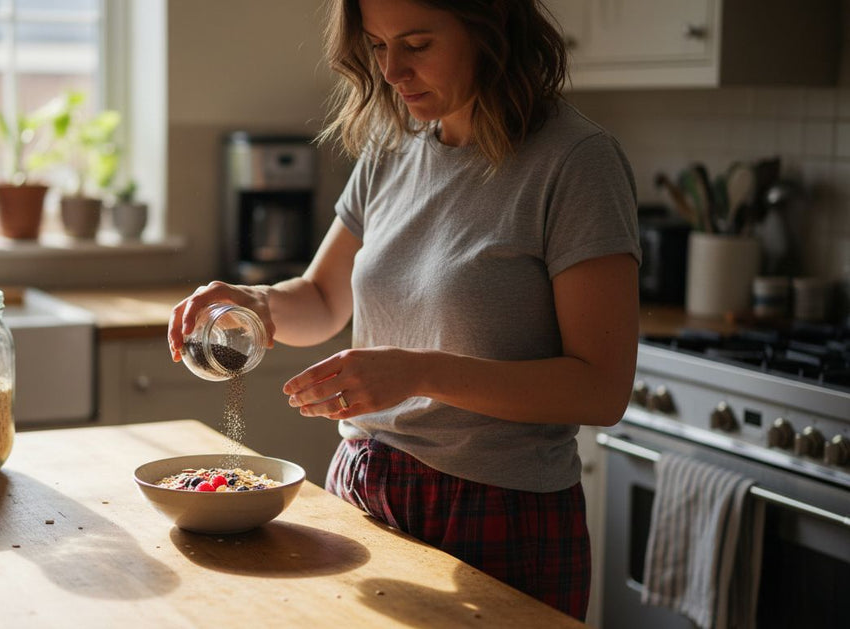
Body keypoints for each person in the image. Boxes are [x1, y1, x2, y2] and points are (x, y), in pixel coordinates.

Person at [167, 0, 640, 619]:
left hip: (497, 514)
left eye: (417, 45)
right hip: (363, 488)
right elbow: (323, 298)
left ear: (490, 30)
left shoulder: (576, 162)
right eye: (378, 45)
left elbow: (600, 389)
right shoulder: (393, 147)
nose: (391, 71)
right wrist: (257, 301)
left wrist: (419, 373)